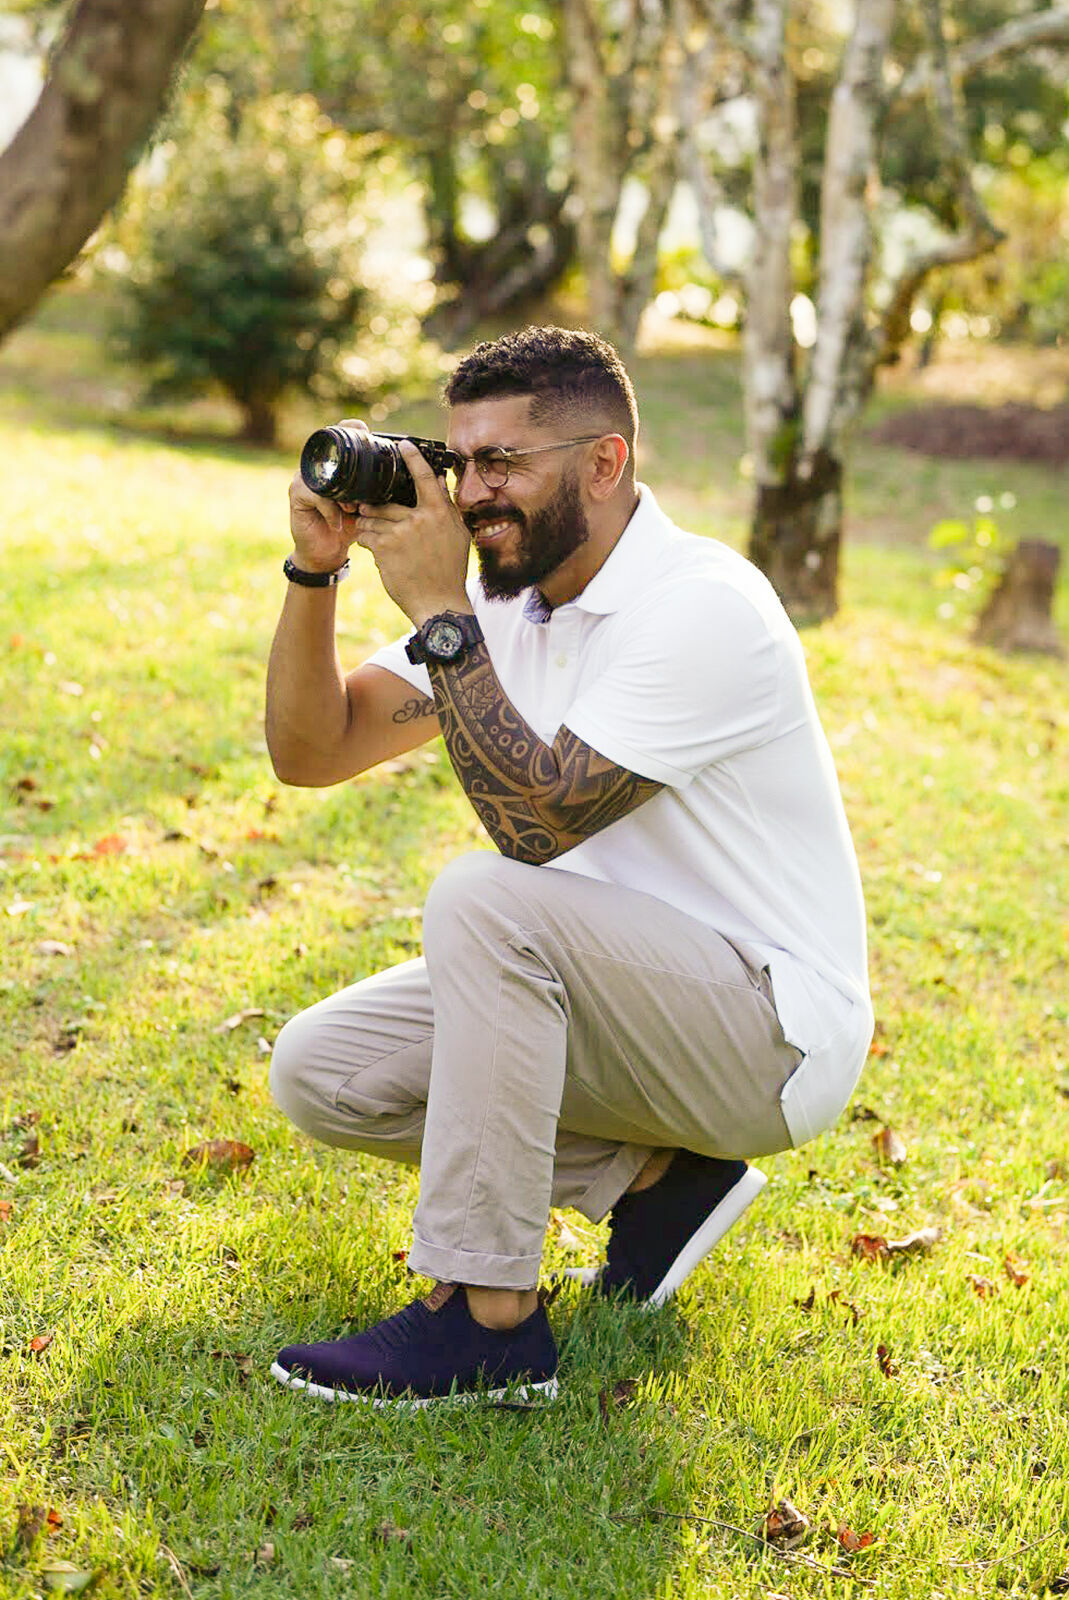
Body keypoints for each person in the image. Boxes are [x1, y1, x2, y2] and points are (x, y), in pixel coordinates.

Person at [265, 325, 873, 1407]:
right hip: (613, 998)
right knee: (323, 1069)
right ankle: (654, 1182)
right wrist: (314, 572)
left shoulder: (700, 606)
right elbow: (312, 751)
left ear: (605, 461)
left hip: (768, 1030)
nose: (471, 492)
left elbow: (536, 826)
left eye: (503, 463)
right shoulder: (512, 599)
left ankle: (487, 1318)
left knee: (488, 898)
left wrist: (442, 614)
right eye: (459, 463)